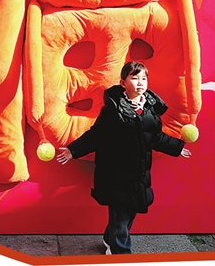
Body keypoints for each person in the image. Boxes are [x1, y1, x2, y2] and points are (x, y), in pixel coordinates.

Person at [56, 61, 191, 255]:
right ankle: (120, 252)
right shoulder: (113, 109)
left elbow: (156, 137)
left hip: (138, 173)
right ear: (123, 83)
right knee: (120, 215)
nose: (140, 82)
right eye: (134, 78)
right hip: (115, 173)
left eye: (143, 78)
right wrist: (73, 150)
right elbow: (97, 135)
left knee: (130, 212)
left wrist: (177, 147)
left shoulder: (150, 108)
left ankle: (109, 238)